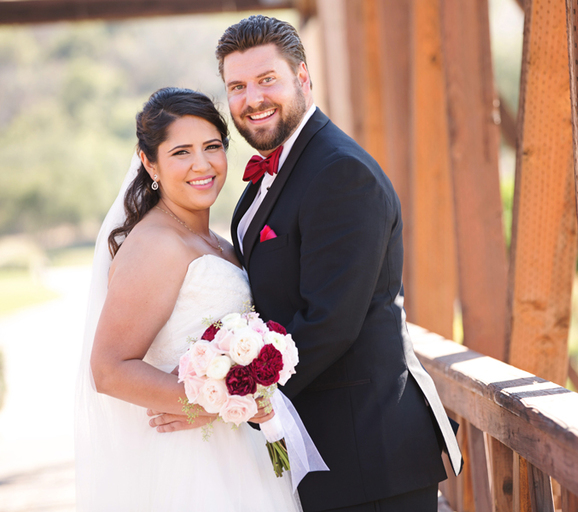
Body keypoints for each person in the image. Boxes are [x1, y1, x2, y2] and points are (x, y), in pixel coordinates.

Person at [147, 15, 463, 512]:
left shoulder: (340, 173)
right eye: (237, 86)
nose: (253, 99)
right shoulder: (269, 176)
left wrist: (228, 401)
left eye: (266, 79)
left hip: (366, 457)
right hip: (320, 453)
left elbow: (329, 323)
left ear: (302, 77)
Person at [75, 87, 307, 511]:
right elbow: (107, 369)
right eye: (181, 152)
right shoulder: (156, 244)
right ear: (150, 163)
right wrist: (215, 403)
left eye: (212, 147)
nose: (202, 164)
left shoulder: (218, 241)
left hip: (241, 451)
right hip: (193, 464)